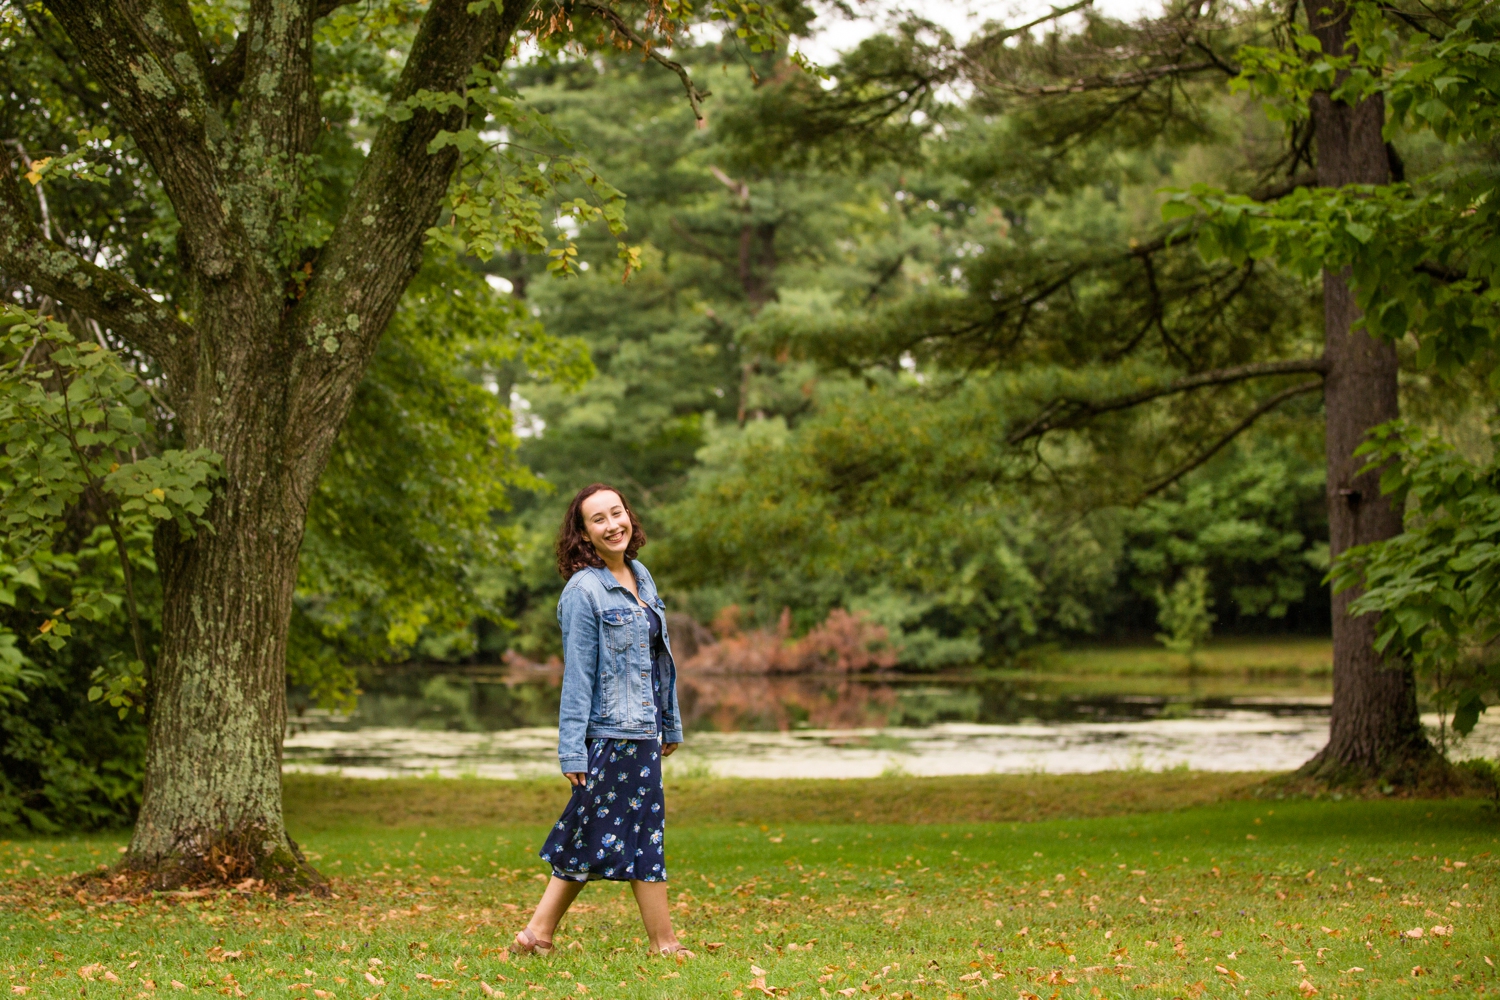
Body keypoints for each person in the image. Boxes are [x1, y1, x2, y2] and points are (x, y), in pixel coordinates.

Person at [512, 483, 692, 957]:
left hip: (643, 733)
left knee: (622, 832)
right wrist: (572, 748)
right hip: (609, 736)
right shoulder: (583, 591)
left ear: (629, 516)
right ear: (583, 533)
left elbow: (659, 659)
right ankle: (662, 943)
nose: (613, 525)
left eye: (618, 513)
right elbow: (578, 675)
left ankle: (539, 936)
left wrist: (668, 723)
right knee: (613, 833)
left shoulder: (642, 576)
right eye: (599, 519)